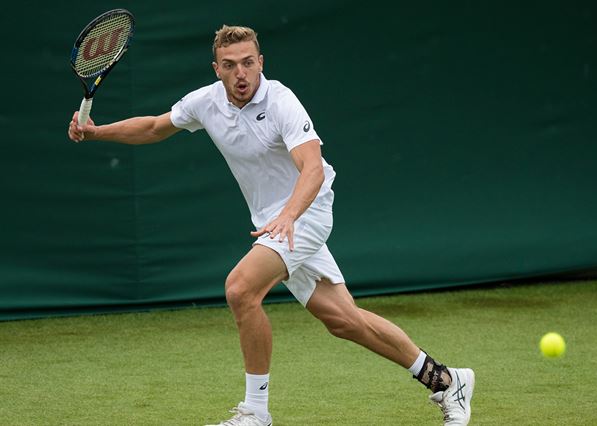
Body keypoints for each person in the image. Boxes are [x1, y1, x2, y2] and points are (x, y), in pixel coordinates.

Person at [68, 24, 475, 426]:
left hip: (307, 211)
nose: (241, 73)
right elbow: (156, 126)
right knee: (344, 320)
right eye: (230, 65)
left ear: (261, 62)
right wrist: (96, 131)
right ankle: (446, 379)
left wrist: (289, 215)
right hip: (273, 223)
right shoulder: (205, 102)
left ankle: (255, 413)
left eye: (248, 63)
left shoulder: (281, 100)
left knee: (240, 289)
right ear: (217, 68)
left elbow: (312, 168)